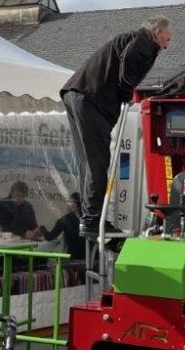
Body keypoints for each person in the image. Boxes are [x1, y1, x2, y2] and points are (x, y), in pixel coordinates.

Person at [61, 15, 172, 237]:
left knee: (87, 161)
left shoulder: (132, 39)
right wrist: (126, 90)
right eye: (167, 39)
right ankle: (92, 219)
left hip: (78, 94)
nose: (167, 46)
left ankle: (88, 216)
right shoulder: (145, 41)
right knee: (97, 161)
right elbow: (130, 59)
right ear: (158, 33)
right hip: (92, 99)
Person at [39, 192, 84, 260]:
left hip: (72, 258)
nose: (67, 204)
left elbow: (49, 237)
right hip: (87, 257)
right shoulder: (87, 218)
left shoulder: (64, 220)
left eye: (69, 201)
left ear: (75, 203)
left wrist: (42, 229)